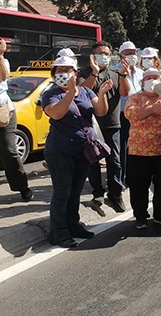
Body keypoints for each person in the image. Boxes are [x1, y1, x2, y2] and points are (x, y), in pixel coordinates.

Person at [42, 56, 111, 248]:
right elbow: (56, 113)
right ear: (54, 74)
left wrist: (103, 93)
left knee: (75, 192)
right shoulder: (51, 94)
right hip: (60, 151)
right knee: (62, 192)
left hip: (83, 151)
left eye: (68, 70)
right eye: (59, 70)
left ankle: (73, 225)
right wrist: (70, 93)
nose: (63, 73)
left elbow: (100, 111)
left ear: (76, 72)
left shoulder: (86, 91)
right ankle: (58, 232)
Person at [125, 69, 161, 229]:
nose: (151, 80)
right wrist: (151, 109)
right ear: (142, 82)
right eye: (148, 78)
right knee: (138, 187)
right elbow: (131, 114)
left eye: (154, 78)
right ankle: (140, 216)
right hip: (138, 151)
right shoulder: (135, 98)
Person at [80, 41, 130, 214]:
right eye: (100, 53)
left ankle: (115, 194)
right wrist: (94, 72)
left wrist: (123, 75)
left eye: (107, 53)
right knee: (93, 160)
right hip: (92, 126)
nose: (104, 56)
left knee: (114, 160)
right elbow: (82, 92)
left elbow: (124, 93)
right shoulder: (85, 73)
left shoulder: (115, 74)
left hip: (112, 124)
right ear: (93, 55)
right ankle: (97, 193)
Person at [0, 38, 33, 201]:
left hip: (5, 113)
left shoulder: (3, 61)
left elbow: (4, 77)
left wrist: (0, 55)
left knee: (9, 150)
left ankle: (23, 187)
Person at [117, 41, 142, 188]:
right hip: (122, 115)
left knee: (135, 148)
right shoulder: (115, 71)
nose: (132, 56)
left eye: (133, 53)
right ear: (121, 56)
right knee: (122, 148)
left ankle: (133, 175)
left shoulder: (140, 73)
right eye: (128, 53)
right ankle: (122, 178)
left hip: (138, 116)